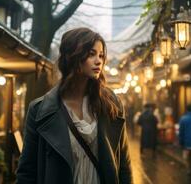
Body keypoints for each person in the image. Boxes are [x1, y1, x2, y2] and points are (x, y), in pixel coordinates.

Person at [16, 28, 133, 184]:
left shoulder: (112, 104)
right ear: (72, 56)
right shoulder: (39, 110)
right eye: (91, 54)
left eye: (101, 55)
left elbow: (124, 166)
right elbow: (27, 172)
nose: (98, 61)